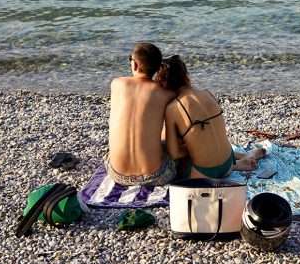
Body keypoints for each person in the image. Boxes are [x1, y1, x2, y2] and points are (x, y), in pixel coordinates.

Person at [157, 55, 265, 179]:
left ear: (164, 83)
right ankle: (240, 160)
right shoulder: (207, 94)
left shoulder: (174, 108)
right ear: (186, 75)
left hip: (204, 174)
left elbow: (174, 154)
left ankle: (240, 162)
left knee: (170, 153)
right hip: (227, 163)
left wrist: (191, 147)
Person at [106, 42, 177, 186]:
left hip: (117, 174)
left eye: (130, 59)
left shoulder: (117, 84)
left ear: (135, 65)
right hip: (155, 176)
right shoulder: (166, 93)